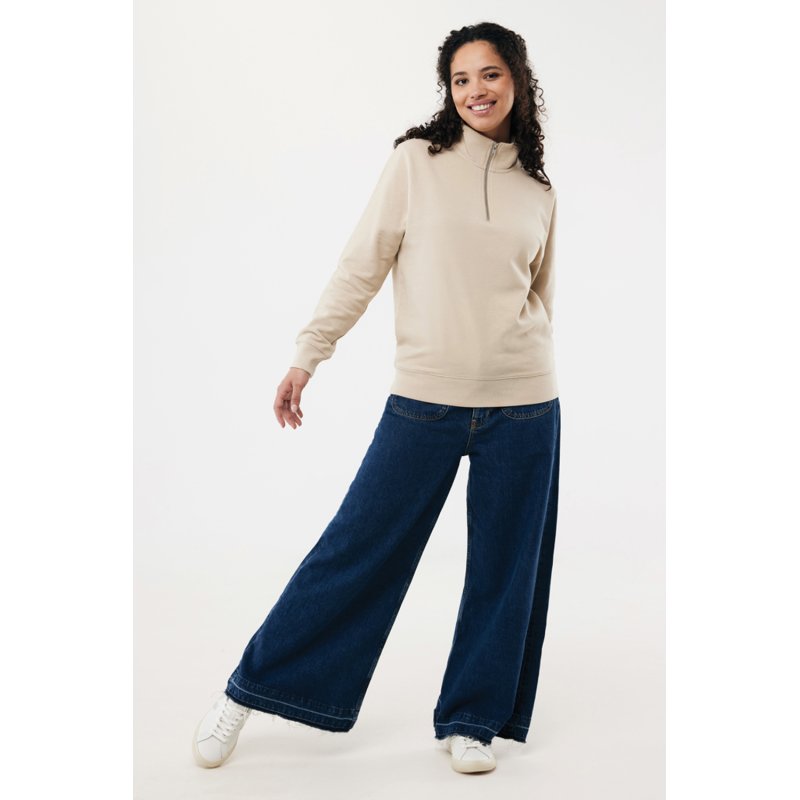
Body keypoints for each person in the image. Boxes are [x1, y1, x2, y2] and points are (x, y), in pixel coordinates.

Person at [192, 21, 561, 776]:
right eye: (461, 79)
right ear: (448, 91)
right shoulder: (415, 163)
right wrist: (309, 354)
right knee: (357, 550)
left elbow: (540, 298)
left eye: (489, 75)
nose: (476, 91)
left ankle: (473, 719)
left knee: (507, 568)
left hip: (526, 404)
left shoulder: (539, 187)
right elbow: (361, 266)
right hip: (425, 399)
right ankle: (248, 690)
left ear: (517, 80)